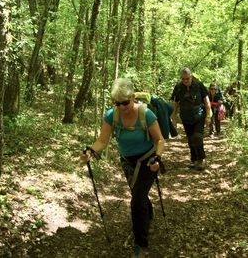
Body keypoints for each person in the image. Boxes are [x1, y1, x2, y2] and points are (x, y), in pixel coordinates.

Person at [80, 78, 165, 256]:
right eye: (117, 103)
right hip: (127, 163)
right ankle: (148, 213)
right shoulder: (112, 115)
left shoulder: (146, 114)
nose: (121, 107)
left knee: (136, 200)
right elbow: (102, 140)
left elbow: (159, 139)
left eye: (125, 103)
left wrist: (157, 158)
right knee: (138, 196)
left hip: (147, 161)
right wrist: (90, 151)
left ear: (133, 97)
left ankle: (140, 242)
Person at [170, 67, 211, 171]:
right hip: (186, 117)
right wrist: (173, 118)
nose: (185, 81)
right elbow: (175, 103)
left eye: (187, 78)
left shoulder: (198, 85)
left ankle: (201, 158)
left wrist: (208, 116)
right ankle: (193, 159)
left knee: (197, 137)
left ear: (191, 77)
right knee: (190, 139)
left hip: (199, 116)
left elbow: (206, 101)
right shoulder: (178, 87)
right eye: (183, 79)